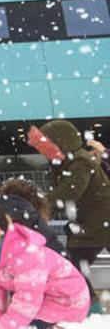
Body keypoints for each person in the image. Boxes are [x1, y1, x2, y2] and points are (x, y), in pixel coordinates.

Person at [0, 199, 90, 329]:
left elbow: (27, 301)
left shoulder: (27, 255)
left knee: (24, 316)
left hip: (69, 301)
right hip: (43, 300)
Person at [28, 120, 110, 315]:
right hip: (93, 222)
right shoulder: (69, 161)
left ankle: (90, 307)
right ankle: (90, 306)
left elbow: (68, 191)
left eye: (47, 146)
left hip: (99, 221)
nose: (44, 152)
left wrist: (41, 207)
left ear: (60, 142)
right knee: (73, 263)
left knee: (73, 263)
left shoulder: (79, 161)